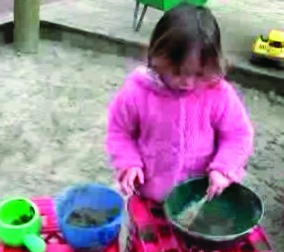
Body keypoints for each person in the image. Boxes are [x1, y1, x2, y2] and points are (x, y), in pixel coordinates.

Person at [105, 3, 254, 202]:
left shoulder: (217, 92)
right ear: (158, 56)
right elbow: (119, 132)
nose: (188, 82)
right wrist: (129, 163)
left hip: (200, 196)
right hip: (150, 195)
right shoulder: (137, 91)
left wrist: (223, 169)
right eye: (177, 72)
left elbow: (239, 135)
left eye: (199, 74)